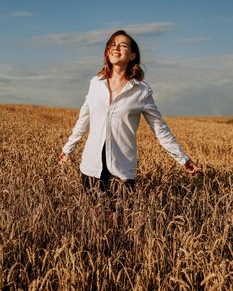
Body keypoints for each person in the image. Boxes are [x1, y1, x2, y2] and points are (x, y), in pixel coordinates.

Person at [59, 30, 201, 195]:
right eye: (112, 45)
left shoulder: (141, 91)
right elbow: (83, 119)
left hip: (122, 169)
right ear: (107, 51)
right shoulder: (96, 83)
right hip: (91, 167)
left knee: (119, 219)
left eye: (122, 45)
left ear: (132, 55)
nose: (116, 48)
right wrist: (68, 149)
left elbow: (160, 130)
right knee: (91, 218)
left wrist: (183, 159)